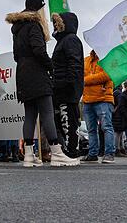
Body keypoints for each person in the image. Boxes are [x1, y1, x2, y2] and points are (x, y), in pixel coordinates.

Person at [6, 0, 79, 167]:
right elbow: (39, 50)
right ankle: (57, 153)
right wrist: (50, 66)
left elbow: (16, 55)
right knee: (46, 113)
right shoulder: (34, 24)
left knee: (29, 114)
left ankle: (29, 156)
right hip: (37, 73)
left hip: (22, 73)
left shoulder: (17, 28)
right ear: (39, 9)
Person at [50, 12, 84, 158]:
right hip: (60, 87)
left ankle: (72, 151)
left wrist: (69, 84)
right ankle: (69, 149)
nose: (55, 26)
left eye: (57, 23)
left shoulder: (70, 40)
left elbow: (74, 63)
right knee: (63, 120)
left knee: (68, 120)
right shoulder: (63, 41)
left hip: (66, 88)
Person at [81, 50, 115, 163]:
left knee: (106, 127)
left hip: (104, 99)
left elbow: (106, 75)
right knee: (91, 129)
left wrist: (85, 80)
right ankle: (93, 154)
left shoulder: (109, 58)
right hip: (87, 100)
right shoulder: (86, 60)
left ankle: (109, 154)